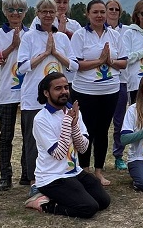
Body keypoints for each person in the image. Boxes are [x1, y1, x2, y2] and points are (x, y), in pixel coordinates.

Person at [25, 72, 111, 218]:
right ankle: (43, 204)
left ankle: (60, 196)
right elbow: (59, 154)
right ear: (46, 93)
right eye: (58, 88)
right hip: (52, 177)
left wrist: (74, 125)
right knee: (89, 208)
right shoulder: (41, 119)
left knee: (103, 201)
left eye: (66, 87)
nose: (64, 91)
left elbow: (83, 148)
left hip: (73, 171)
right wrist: (68, 123)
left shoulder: (74, 112)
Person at [16, 0, 78, 198]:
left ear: (57, 14)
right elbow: (22, 67)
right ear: (37, 14)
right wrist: (44, 54)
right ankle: (34, 181)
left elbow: (74, 66)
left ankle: (58, 176)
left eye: (52, 11)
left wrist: (56, 53)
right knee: (32, 141)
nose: (48, 15)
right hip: (33, 98)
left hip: (57, 98)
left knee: (59, 136)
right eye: (44, 11)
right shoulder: (29, 37)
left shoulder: (62, 38)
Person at [70, 0, 127, 186]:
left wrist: (110, 62)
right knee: (86, 130)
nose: (100, 15)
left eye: (102, 12)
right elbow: (76, 65)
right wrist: (100, 61)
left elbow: (124, 62)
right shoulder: (79, 35)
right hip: (84, 91)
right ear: (87, 14)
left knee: (102, 131)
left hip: (110, 91)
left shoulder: (115, 35)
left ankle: (99, 171)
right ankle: (84, 170)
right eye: (95, 12)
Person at [0, 0, 29, 191]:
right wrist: (12, 46)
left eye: (20, 10)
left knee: (29, 136)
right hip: (6, 93)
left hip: (28, 93)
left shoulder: (31, 34)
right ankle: (5, 176)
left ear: (25, 13)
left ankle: (27, 173)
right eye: (11, 10)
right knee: (6, 137)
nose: (15, 13)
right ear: (5, 12)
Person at [106, 0, 129, 170]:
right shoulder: (99, 30)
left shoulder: (127, 31)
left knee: (119, 122)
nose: (113, 12)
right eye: (110, 9)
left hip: (121, 81)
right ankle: (96, 157)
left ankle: (118, 155)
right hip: (102, 82)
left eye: (116, 9)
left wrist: (111, 61)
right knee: (100, 122)